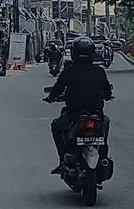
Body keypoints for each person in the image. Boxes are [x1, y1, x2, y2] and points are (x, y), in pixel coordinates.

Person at [44, 36, 113, 173]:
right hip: (96, 114)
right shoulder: (99, 71)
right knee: (105, 124)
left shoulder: (69, 71)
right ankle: (103, 157)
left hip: (74, 114)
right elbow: (107, 90)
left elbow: (58, 88)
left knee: (56, 127)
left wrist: (51, 98)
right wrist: (108, 95)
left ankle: (62, 159)